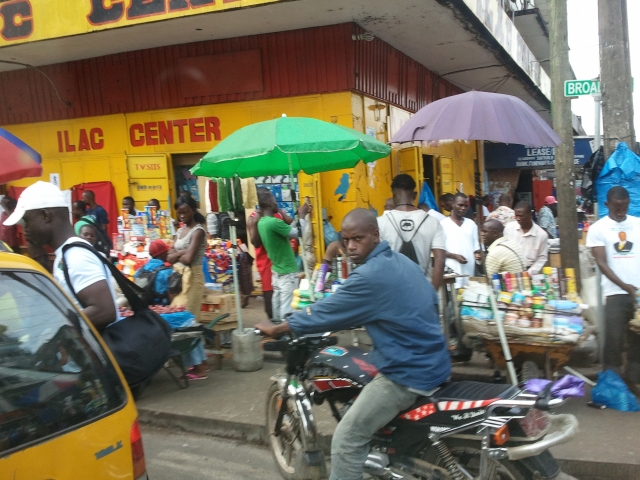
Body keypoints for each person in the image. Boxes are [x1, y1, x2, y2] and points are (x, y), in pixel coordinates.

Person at [256, 208, 450, 480]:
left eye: (358, 239)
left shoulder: (368, 276)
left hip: (408, 373)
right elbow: (423, 300)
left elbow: (326, 312)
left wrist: (278, 327)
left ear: (375, 235)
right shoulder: (402, 262)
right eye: (345, 240)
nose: (350, 247)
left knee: (346, 439)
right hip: (434, 361)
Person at [4, 182, 118, 330]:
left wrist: (57, 330)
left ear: (45, 216)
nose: (25, 230)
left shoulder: (76, 255)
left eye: (26, 221)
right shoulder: (67, 253)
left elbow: (105, 311)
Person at [586, 186, 640, 388]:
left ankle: (634, 381)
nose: (621, 212)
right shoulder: (598, 228)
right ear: (607, 204)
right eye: (616, 207)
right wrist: (626, 287)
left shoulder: (637, 224)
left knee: (637, 340)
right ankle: (612, 385)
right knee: (613, 340)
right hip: (615, 293)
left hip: (638, 292)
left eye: (624, 207)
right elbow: (602, 263)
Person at [378, 174, 446, 290]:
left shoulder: (380, 222)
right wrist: (432, 294)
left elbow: (377, 262)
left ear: (393, 195)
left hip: (392, 292)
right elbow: (440, 260)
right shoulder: (432, 222)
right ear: (415, 195)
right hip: (422, 291)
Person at [247, 188, 294, 319]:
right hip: (266, 264)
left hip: (282, 260)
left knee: (286, 300)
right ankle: (275, 328)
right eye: (272, 198)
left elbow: (292, 227)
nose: (275, 201)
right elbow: (255, 243)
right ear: (267, 202)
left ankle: (283, 327)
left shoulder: (278, 214)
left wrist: (287, 215)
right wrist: (257, 223)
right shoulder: (253, 219)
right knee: (271, 304)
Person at [256, 189, 302, 321]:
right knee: (288, 312)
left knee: (277, 308)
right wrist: (303, 217)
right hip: (287, 272)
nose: (278, 205)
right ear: (269, 204)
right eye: (275, 202)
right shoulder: (273, 222)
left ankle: (278, 333)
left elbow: (286, 229)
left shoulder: (262, 222)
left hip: (276, 272)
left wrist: (297, 215)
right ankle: (286, 336)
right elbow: (299, 233)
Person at [168, 196, 207, 321]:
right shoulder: (180, 231)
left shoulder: (198, 231)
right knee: (176, 314)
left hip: (193, 278)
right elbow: (169, 257)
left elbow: (188, 259)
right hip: (179, 279)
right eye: (179, 213)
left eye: (185, 212)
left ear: (194, 210)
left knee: (188, 317)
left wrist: (177, 253)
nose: (182, 216)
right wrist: (183, 252)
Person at [440, 193, 480, 288]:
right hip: (451, 272)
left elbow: (476, 248)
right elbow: (438, 250)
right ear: (453, 204)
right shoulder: (442, 224)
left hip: (469, 272)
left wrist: (478, 255)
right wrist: (454, 256)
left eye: (466, 206)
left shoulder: (471, 225)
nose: (463, 208)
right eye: (460, 205)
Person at [504, 202, 548, 275]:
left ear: (530, 215)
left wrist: (529, 273)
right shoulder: (509, 228)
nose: (518, 219)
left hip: (530, 272)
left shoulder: (541, 235)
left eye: (521, 216)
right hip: (510, 271)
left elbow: (542, 258)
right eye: (516, 216)